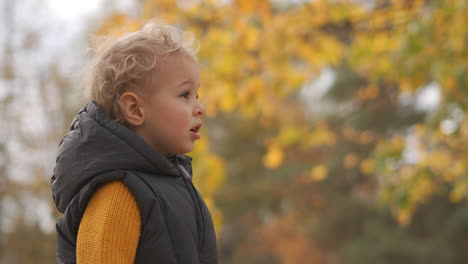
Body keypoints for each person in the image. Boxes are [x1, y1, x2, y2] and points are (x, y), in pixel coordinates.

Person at [50, 20, 218, 264]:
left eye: (197, 95)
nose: (200, 108)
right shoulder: (117, 193)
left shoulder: (176, 185)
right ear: (135, 109)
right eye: (185, 95)